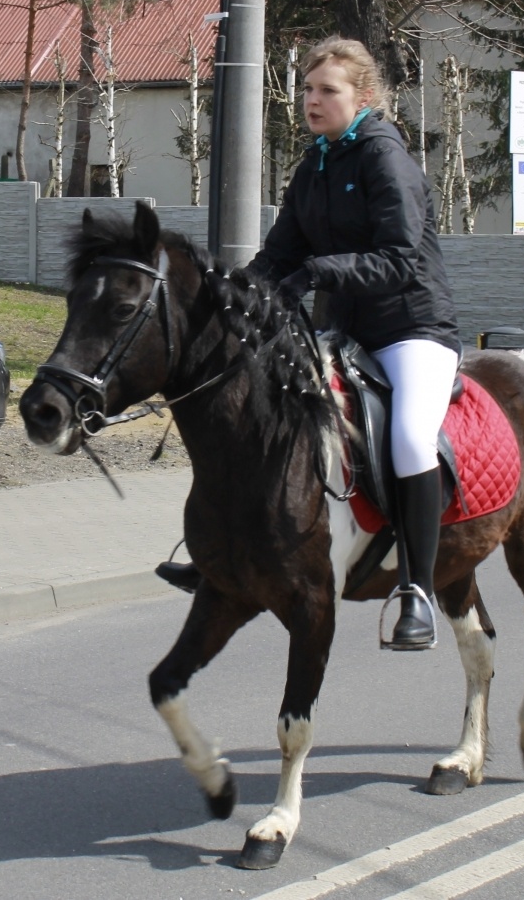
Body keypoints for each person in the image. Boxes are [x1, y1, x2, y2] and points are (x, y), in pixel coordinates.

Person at [158, 37, 461, 650]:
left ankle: (418, 591)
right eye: (306, 89)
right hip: (342, 331)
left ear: (364, 97)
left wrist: (322, 274)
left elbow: (399, 258)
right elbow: (279, 255)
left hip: (411, 329)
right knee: (260, 405)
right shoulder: (316, 162)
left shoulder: (385, 159)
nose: (312, 100)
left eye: (327, 91)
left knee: (407, 437)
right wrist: (226, 296)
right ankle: (225, 551)